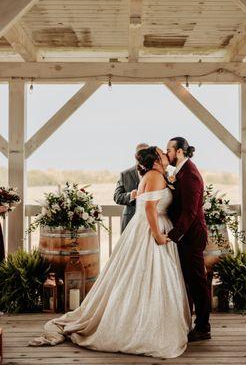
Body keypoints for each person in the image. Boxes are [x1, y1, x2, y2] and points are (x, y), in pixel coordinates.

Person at [29, 146, 191, 359]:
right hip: (150, 231)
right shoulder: (154, 177)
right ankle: (142, 327)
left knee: (143, 276)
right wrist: (158, 236)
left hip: (147, 227)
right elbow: (150, 209)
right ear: (154, 161)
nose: (164, 155)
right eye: (161, 153)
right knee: (150, 274)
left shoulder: (157, 175)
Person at [166, 137, 211, 342]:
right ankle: (192, 323)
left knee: (197, 282)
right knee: (189, 281)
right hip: (187, 234)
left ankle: (203, 327)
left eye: (169, 150)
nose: (167, 154)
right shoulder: (181, 171)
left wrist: (174, 234)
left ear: (180, 152)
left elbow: (190, 211)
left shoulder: (190, 174)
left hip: (192, 234)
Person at [114, 143, 149, 233]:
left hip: (150, 221)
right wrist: (130, 196)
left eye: (146, 153)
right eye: (141, 153)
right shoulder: (125, 174)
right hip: (130, 220)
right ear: (135, 155)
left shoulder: (157, 172)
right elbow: (117, 196)